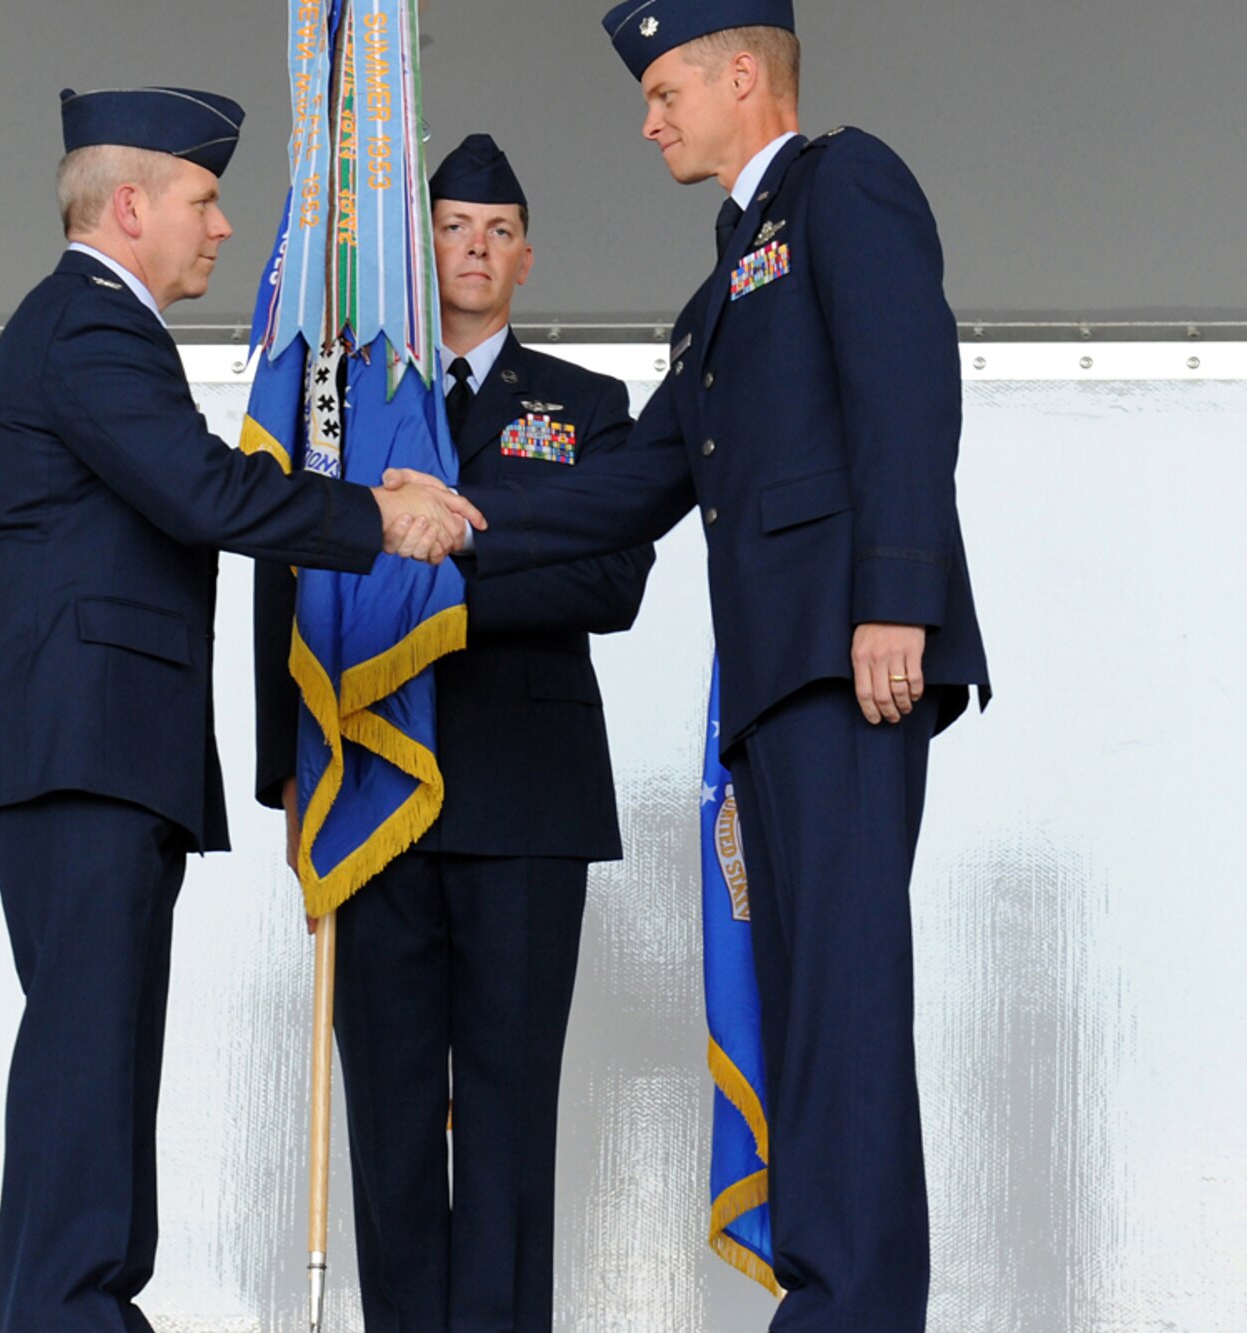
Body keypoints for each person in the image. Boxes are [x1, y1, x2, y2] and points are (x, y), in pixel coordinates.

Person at [392, 5, 990, 1326]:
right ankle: (831, 1292)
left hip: (849, 663)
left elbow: (908, 385)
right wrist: (450, 518)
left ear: (739, 75)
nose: (650, 119)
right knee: (807, 1008)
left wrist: (897, 595)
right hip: (781, 689)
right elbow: (637, 478)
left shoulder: (848, 184)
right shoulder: (727, 278)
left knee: (841, 1003)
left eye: (665, 90)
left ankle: (850, 1304)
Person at [0, 85, 472, 1333]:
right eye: (203, 198)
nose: (225, 227)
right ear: (129, 207)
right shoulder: (87, 326)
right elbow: (200, 493)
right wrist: (375, 517)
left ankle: (74, 1305)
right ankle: (70, 1310)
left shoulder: (87, 328)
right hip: (81, 752)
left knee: (101, 1056)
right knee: (89, 1059)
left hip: (95, 752)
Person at [253, 133, 654, 1332]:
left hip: (524, 803)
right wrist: (288, 772)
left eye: (495, 230)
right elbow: (288, 577)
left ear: (526, 257)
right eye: (448, 227)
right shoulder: (349, 407)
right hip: (366, 784)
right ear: (412, 254)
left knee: (503, 1115)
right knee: (384, 1113)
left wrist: (438, 577)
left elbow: (612, 579)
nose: (472, 248)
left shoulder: (585, 408)